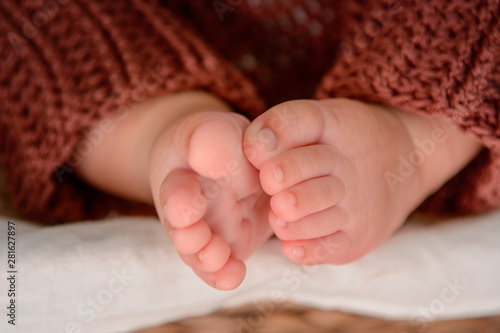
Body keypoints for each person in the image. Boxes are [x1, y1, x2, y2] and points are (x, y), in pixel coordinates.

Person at [0, 0, 498, 290]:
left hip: (416, 58)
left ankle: (403, 143)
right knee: (48, 30)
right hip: (148, 45)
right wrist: (156, 124)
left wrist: (408, 132)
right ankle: (162, 134)